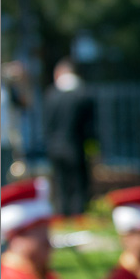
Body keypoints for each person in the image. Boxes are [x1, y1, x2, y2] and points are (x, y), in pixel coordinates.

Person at [42, 58, 96, 217]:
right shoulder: (83, 94)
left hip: (54, 147)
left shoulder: (51, 94)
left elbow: (47, 125)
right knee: (78, 185)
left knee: (60, 185)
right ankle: (78, 218)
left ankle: (61, 216)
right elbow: (90, 129)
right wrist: (93, 151)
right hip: (76, 146)